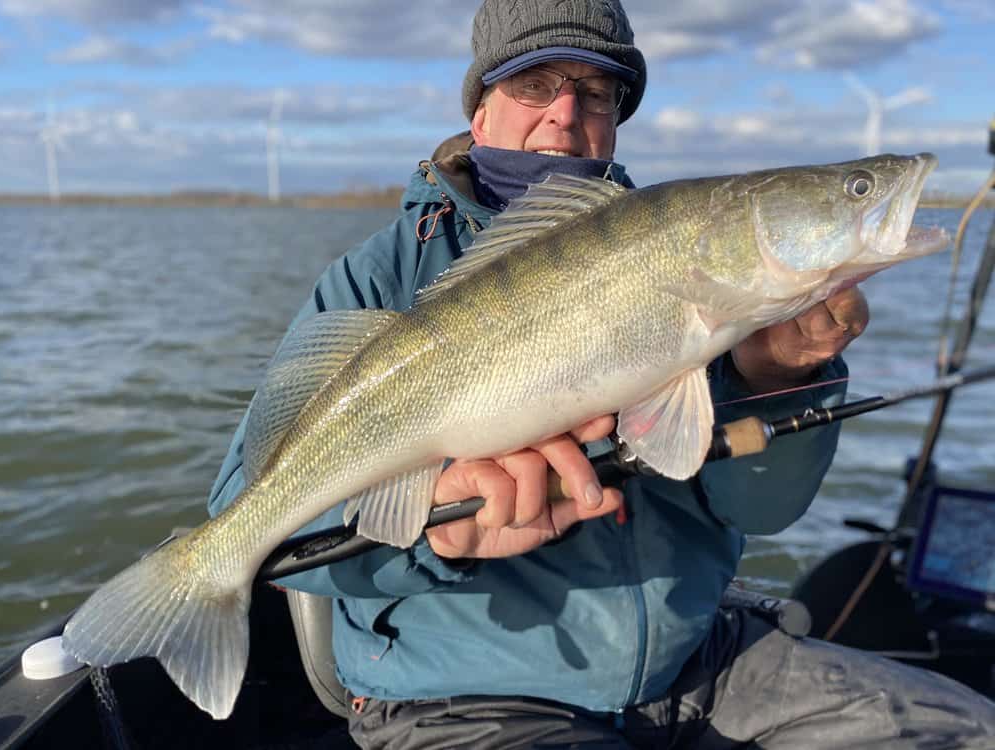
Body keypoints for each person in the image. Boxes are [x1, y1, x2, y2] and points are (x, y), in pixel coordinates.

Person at [209, 1, 995, 747]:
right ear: (479, 110)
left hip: (701, 663)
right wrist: (438, 529)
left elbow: (767, 506)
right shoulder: (379, 280)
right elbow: (249, 511)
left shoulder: (712, 284)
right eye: (533, 84)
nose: (564, 112)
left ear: (616, 121)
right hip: (468, 698)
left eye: (595, 91)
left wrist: (774, 376)